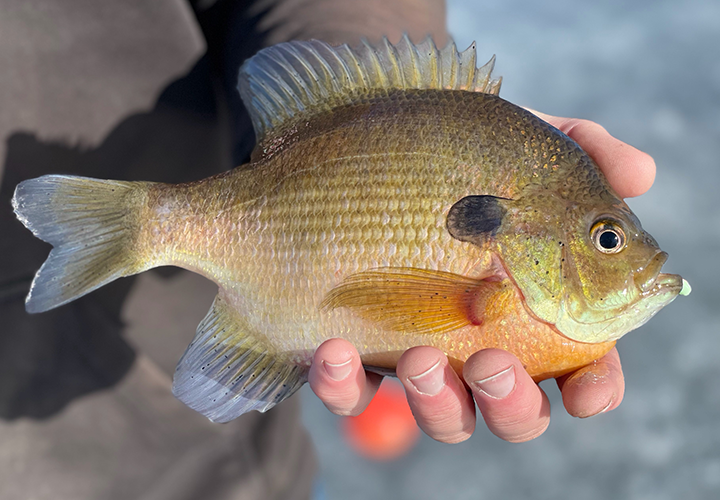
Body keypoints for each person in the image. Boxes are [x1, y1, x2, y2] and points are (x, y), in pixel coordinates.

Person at [0, 0, 654, 498]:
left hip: (182, 463)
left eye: (607, 237)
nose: (619, 252)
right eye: (605, 238)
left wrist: (357, 64)